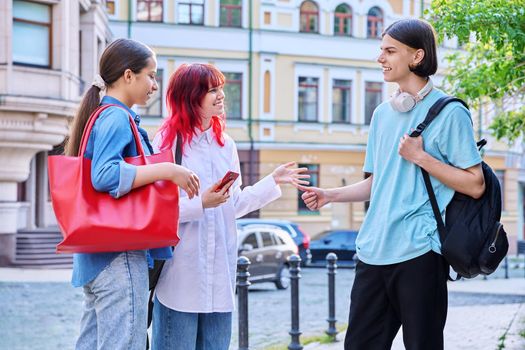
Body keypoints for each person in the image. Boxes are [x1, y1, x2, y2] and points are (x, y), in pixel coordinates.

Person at [299, 19, 485, 350]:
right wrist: (330, 195)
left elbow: (475, 184)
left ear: (417, 56)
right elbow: (377, 184)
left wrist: (423, 157)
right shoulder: (382, 115)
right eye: (380, 50)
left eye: (389, 50)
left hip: (419, 253)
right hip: (372, 252)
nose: (380, 58)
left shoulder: (450, 113)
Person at [150, 63, 309, 350]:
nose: (221, 95)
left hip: (219, 280)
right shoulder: (166, 142)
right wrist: (202, 203)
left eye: (220, 88)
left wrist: (271, 181)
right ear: (190, 96)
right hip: (180, 279)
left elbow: (232, 204)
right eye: (212, 90)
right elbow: (157, 213)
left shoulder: (226, 145)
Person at [65, 38, 200, 350]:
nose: (154, 85)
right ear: (128, 75)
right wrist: (169, 170)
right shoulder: (116, 116)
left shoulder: (101, 114)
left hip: (98, 255)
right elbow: (104, 175)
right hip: (119, 254)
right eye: (150, 75)